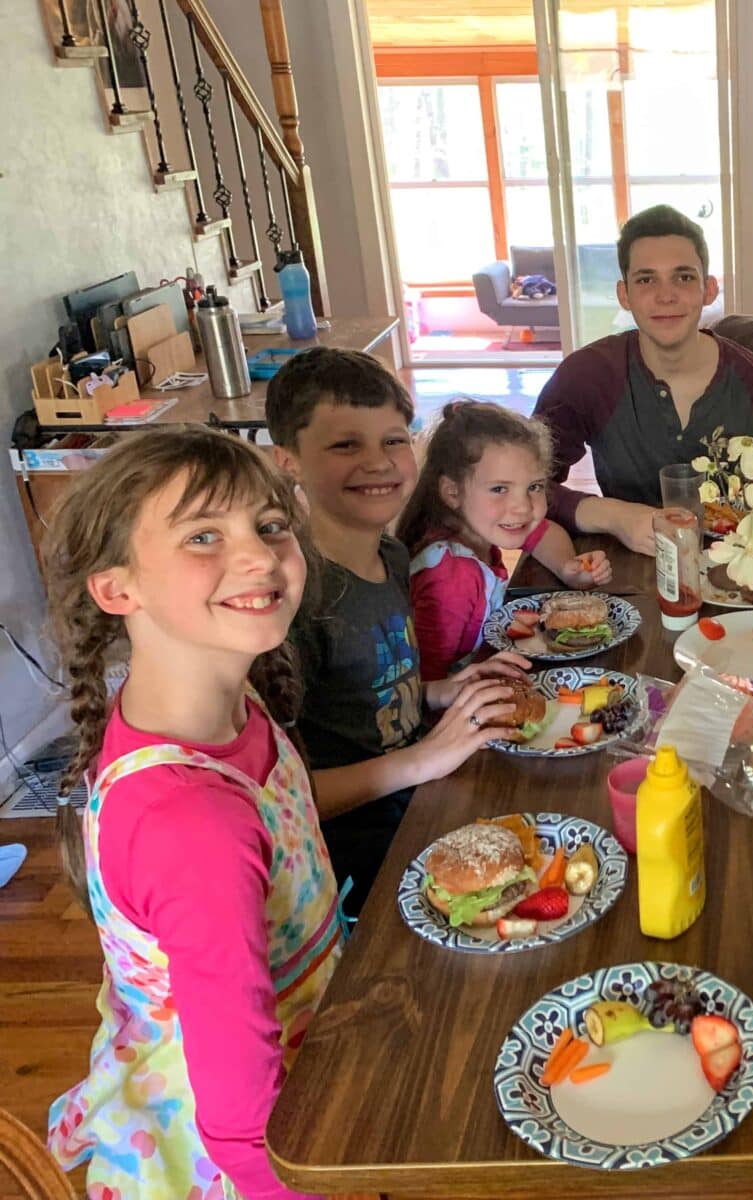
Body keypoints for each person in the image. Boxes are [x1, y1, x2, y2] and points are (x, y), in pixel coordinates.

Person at [43, 426, 337, 1199]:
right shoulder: (191, 824)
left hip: (304, 1048)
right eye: (204, 535)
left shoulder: (220, 702)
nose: (260, 556)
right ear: (116, 588)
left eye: (271, 525)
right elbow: (243, 1126)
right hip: (244, 1154)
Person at [266, 347, 523, 913]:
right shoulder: (293, 600)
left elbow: (373, 690)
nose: (378, 462)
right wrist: (422, 760)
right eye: (345, 444)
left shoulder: (391, 555)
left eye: (393, 440)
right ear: (287, 460)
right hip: (360, 868)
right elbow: (283, 793)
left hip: (423, 798)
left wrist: (439, 690)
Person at [536, 204, 753, 554]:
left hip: (738, 574)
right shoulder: (586, 377)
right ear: (623, 294)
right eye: (646, 279)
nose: (666, 295)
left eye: (684, 277)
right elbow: (523, 488)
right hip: (625, 571)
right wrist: (614, 515)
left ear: (709, 289)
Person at [398, 400, 613, 681]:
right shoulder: (451, 580)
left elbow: (543, 531)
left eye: (534, 487)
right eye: (499, 489)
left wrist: (567, 568)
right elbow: (424, 688)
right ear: (452, 493)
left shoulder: (476, 525)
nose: (523, 507)